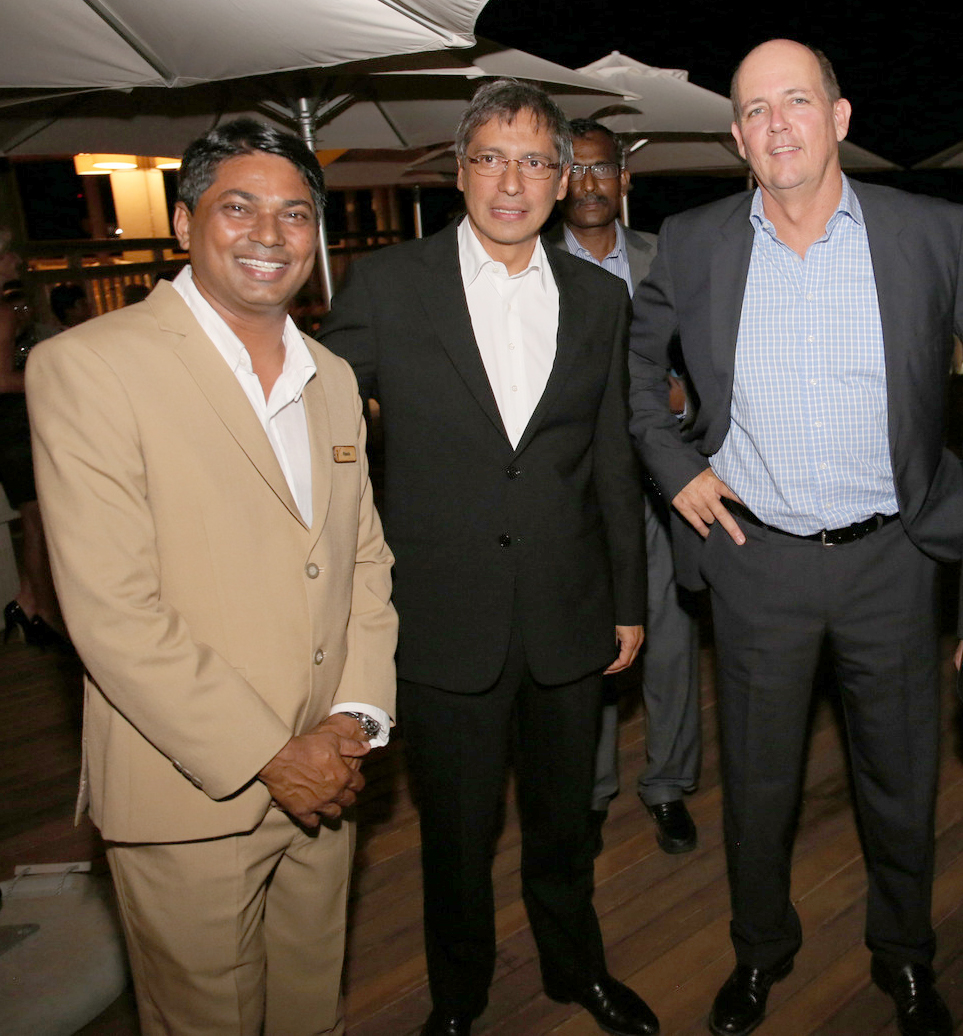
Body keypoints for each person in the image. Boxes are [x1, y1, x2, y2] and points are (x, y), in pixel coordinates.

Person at [26, 119, 398, 1036]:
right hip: (190, 788)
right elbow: (112, 612)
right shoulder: (91, 367)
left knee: (311, 1012)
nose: (270, 234)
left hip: (328, 777)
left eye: (295, 214)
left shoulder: (333, 377)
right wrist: (274, 756)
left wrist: (353, 721)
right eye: (239, 208)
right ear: (185, 222)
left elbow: (361, 562)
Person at [630, 39, 963, 1036]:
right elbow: (635, 375)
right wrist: (676, 467)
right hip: (756, 559)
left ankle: (905, 957)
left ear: (840, 116)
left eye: (797, 101)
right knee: (758, 785)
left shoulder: (934, 231)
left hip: (896, 556)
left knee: (902, 781)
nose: (777, 125)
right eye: (754, 110)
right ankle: (759, 950)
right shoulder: (692, 241)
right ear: (737, 136)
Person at [321, 80, 657, 1036]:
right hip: (442, 615)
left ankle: (575, 968)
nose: (512, 182)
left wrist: (627, 600)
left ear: (563, 178)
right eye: (492, 159)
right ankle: (458, 999)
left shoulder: (599, 298)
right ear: (459, 171)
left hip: (567, 608)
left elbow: (610, 454)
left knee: (565, 822)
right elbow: (320, 432)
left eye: (535, 161)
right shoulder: (387, 286)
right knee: (456, 837)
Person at [546, 118, 701, 856]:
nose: (588, 183)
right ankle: (591, 790)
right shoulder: (531, 265)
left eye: (601, 168)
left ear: (624, 178)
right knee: (594, 645)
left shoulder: (665, 256)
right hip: (578, 490)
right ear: (556, 181)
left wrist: (686, 401)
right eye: (573, 169)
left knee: (672, 643)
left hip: (664, 485)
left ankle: (668, 784)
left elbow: (708, 359)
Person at [0, 237, 63, 647]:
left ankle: (27, 602)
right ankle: (40, 611)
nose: (16, 259)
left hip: (12, 429)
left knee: (35, 521)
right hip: (16, 429)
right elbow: (2, 379)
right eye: (7, 252)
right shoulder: (4, 313)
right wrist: (49, 378)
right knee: (38, 522)